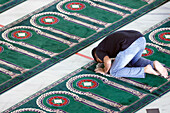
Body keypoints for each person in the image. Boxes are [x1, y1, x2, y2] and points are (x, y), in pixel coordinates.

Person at [92, 30, 168, 78]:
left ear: (97, 57)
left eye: (100, 61)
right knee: (133, 61)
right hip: (141, 39)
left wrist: (104, 70)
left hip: (130, 45)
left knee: (114, 72)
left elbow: (107, 61)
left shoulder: (99, 51)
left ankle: (145, 69)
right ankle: (153, 64)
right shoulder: (106, 46)